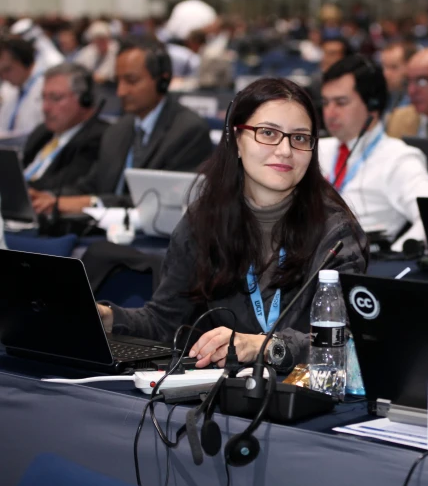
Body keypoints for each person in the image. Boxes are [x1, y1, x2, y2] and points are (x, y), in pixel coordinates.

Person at [97, 77, 368, 373]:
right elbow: (166, 321)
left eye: (300, 138)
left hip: (303, 395)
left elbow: (344, 338)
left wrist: (262, 346)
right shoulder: (204, 221)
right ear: (237, 139)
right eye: (268, 133)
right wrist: (107, 318)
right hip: (224, 395)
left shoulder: (336, 234)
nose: (285, 150)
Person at [29, 38, 212, 214]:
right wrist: (49, 198)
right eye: (118, 81)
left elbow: (161, 199)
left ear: (162, 81)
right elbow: (92, 184)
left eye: (131, 81)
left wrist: (93, 202)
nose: (120, 91)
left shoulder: (188, 130)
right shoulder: (118, 129)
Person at [319, 56, 428, 251]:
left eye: (341, 103)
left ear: (373, 106)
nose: (329, 112)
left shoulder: (398, 158)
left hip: (362, 267)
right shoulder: (315, 150)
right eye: (326, 103)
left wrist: (394, 258)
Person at [21, 63, 109, 193]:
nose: (45, 108)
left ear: (84, 100)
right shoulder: (42, 132)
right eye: (43, 98)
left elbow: (63, 187)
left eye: (55, 98)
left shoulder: (98, 138)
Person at [0, 37, 45, 136]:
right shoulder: (10, 90)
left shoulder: (46, 88)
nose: (3, 77)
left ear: (25, 61)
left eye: (7, 70)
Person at [380, 41, 416, 116]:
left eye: (393, 67)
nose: (385, 74)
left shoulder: (417, 102)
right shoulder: (387, 96)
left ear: (410, 67)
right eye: (383, 67)